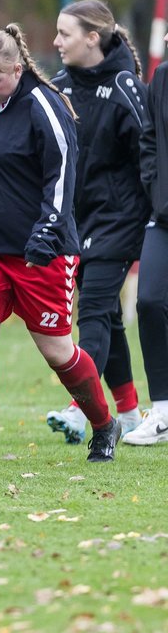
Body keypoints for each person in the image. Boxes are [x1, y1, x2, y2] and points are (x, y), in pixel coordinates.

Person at [0, 24, 121, 467]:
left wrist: (46, 233)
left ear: (16, 67)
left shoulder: (44, 107)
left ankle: (105, 425)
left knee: (58, 351)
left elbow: (63, 176)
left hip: (41, 254)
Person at [44, 0, 148, 444]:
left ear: (92, 38)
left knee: (94, 308)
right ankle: (128, 411)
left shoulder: (127, 86)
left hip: (121, 218)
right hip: (77, 219)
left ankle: (79, 408)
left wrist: (154, 216)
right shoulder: (60, 85)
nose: (55, 41)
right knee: (105, 312)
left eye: (64, 33)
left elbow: (150, 155)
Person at [126, 27, 168, 445]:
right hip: (164, 215)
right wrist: (156, 188)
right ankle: (162, 411)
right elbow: (151, 139)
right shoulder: (163, 78)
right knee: (150, 300)